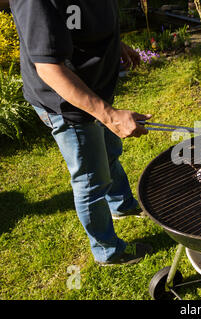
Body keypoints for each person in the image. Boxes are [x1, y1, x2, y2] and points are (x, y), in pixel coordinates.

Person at [9, 0, 154, 266]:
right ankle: (108, 251)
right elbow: (49, 68)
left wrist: (115, 45)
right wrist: (109, 115)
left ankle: (121, 205)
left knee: (109, 152)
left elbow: (80, 25)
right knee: (91, 179)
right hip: (66, 103)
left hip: (97, 91)